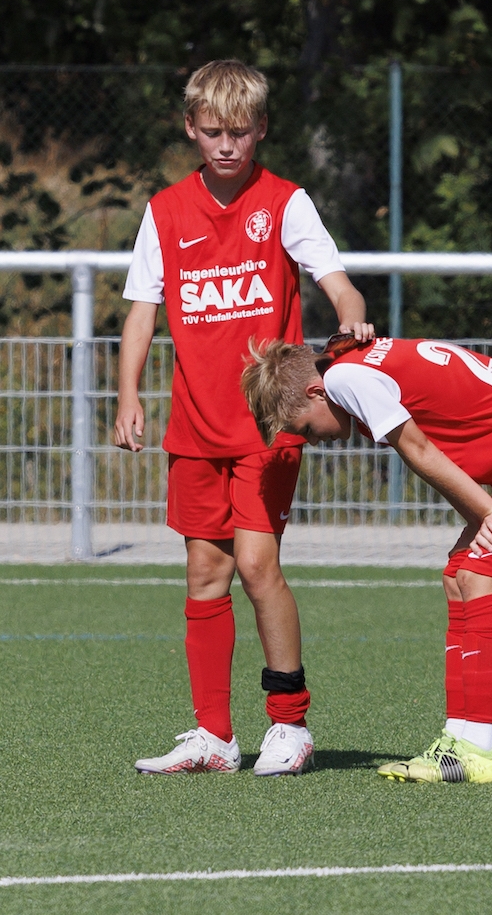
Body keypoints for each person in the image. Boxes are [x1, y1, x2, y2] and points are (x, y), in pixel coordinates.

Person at [114, 59, 373, 777]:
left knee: (257, 567)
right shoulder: (165, 210)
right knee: (205, 573)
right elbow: (141, 312)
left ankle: (289, 724)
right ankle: (214, 737)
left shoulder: (286, 203)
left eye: (239, 131)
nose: (225, 144)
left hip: (266, 427)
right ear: (190, 128)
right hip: (194, 427)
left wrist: (352, 321)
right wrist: (128, 395)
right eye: (212, 131)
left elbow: (340, 285)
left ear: (261, 128)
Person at [240, 334, 492, 784]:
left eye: (306, 429)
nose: (312, 441)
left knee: (478, 575)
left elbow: (420, 451)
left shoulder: (344, 379)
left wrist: (487, 514)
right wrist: (482, 513)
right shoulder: (346, 362)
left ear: (315, 393)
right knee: (457, 575)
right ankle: (457, 739)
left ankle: (479, 750)